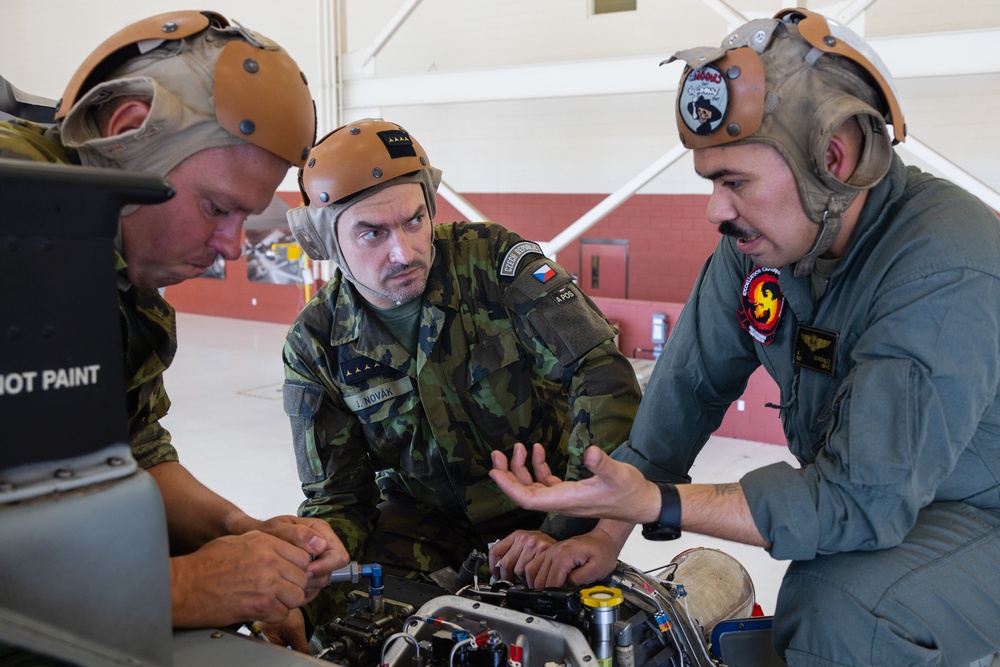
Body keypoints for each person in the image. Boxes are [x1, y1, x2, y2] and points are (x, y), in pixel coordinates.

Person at [489, 8, 1000, 666]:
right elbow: (685, 395)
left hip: (978, 511)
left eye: (735, 182)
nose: (715, 209)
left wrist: (656, 501)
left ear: (835, 160)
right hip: (889, 500)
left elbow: (858, 499)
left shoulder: (942, 263)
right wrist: (608, 529)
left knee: (839, 612)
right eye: (709, 181)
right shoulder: (763, 252)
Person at [0, 10, 349, 651]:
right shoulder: (15, 223)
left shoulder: (118, 272)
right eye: (217, 208)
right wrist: (180, 588)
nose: (232, 247)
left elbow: (133, 449)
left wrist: (237, 534)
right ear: (129, 133)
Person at [282, 118, 642, 635]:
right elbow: (339, 498)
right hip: (423, 530)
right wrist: (318, 556)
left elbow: (601, 375)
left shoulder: (495, 262)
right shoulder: (314, 343)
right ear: (327, 241)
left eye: (414, 221)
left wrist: (572, 524)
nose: (403, 252)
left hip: (550, 505)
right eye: (372, 233)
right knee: (328, 626)